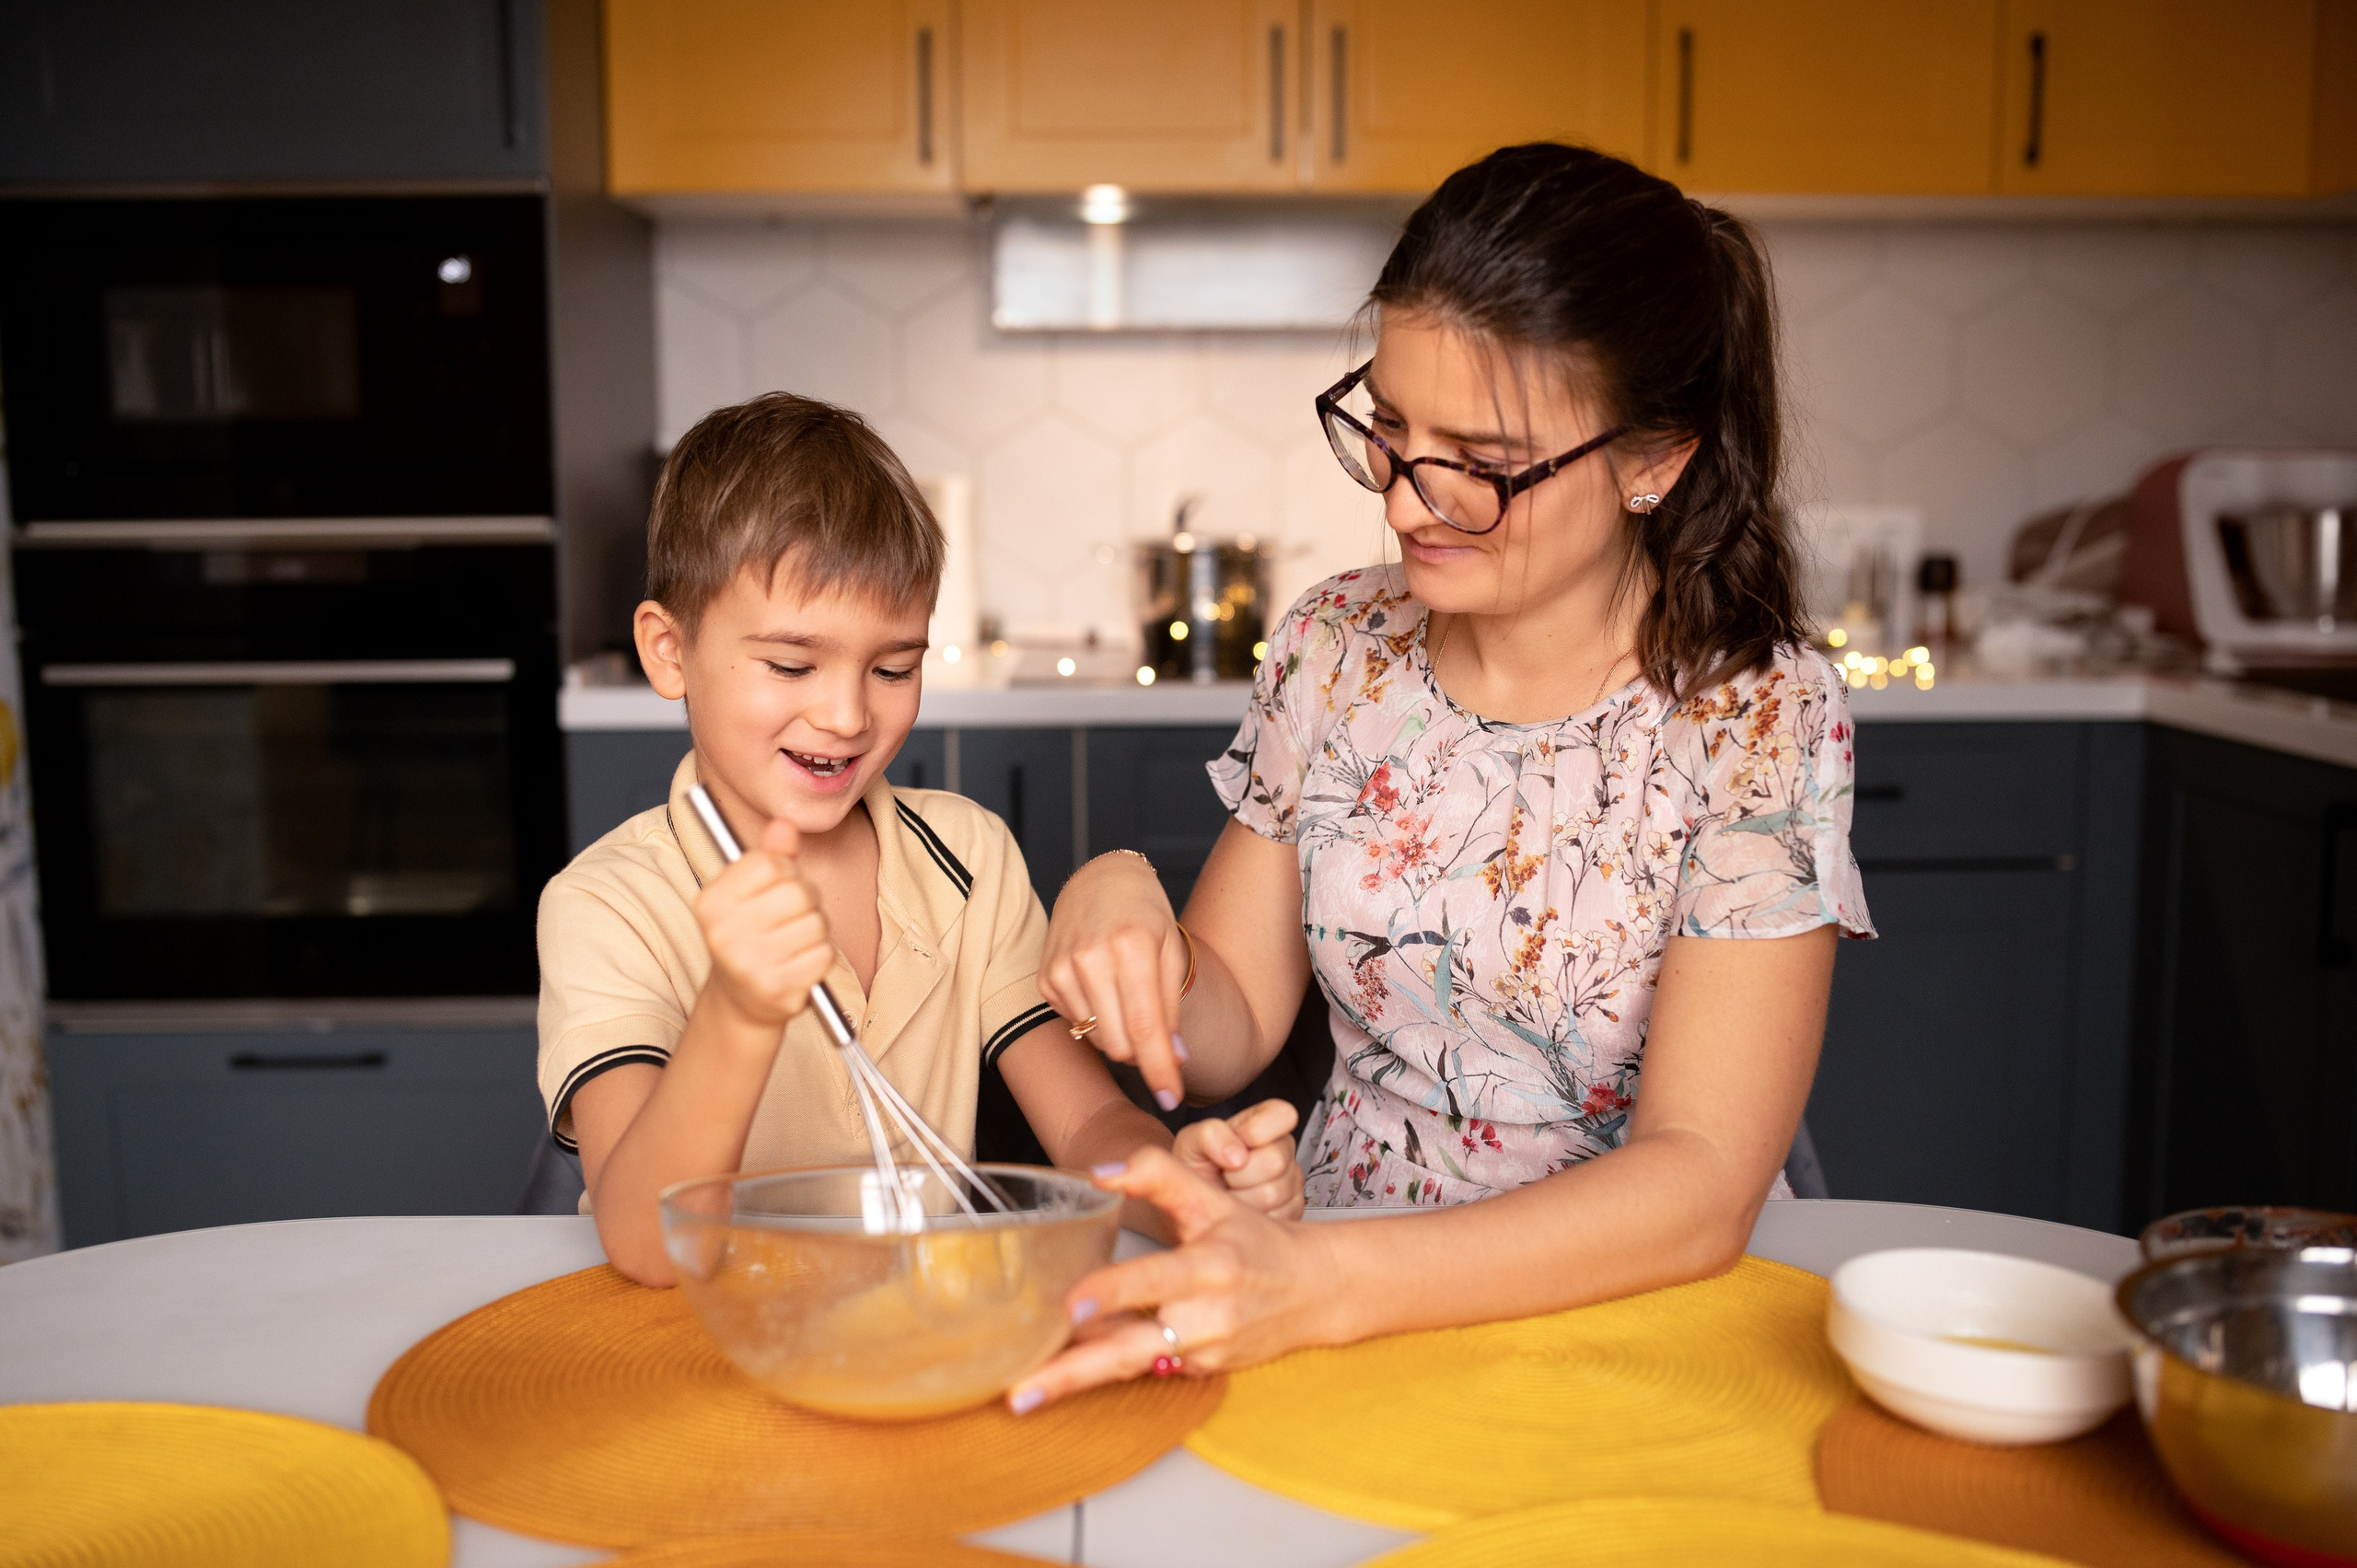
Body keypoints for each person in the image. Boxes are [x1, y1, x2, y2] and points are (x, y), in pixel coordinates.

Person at [1004, 143, 1875, 1413]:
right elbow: (1232, 1010)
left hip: (1620, 1318)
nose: (1413, 501)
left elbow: (1698, 1180)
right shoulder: (1337, 643)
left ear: (1654, 459)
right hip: (1331, 1299)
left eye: (1483, 460)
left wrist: (1321, 1280)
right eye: (1393, 429)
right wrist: (1113, 899)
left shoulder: (1755, 712)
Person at [534, 393, 1305, 1287]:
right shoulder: (607, 903)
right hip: (701, 1348)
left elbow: (1088, 1127)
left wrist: (1177, 1181)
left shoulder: (969, 858)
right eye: (791, 664)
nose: (846, 713)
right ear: (668, 651)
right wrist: (738, 1012)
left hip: (910, 1332)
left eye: (894, 666)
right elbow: (643, 1239)